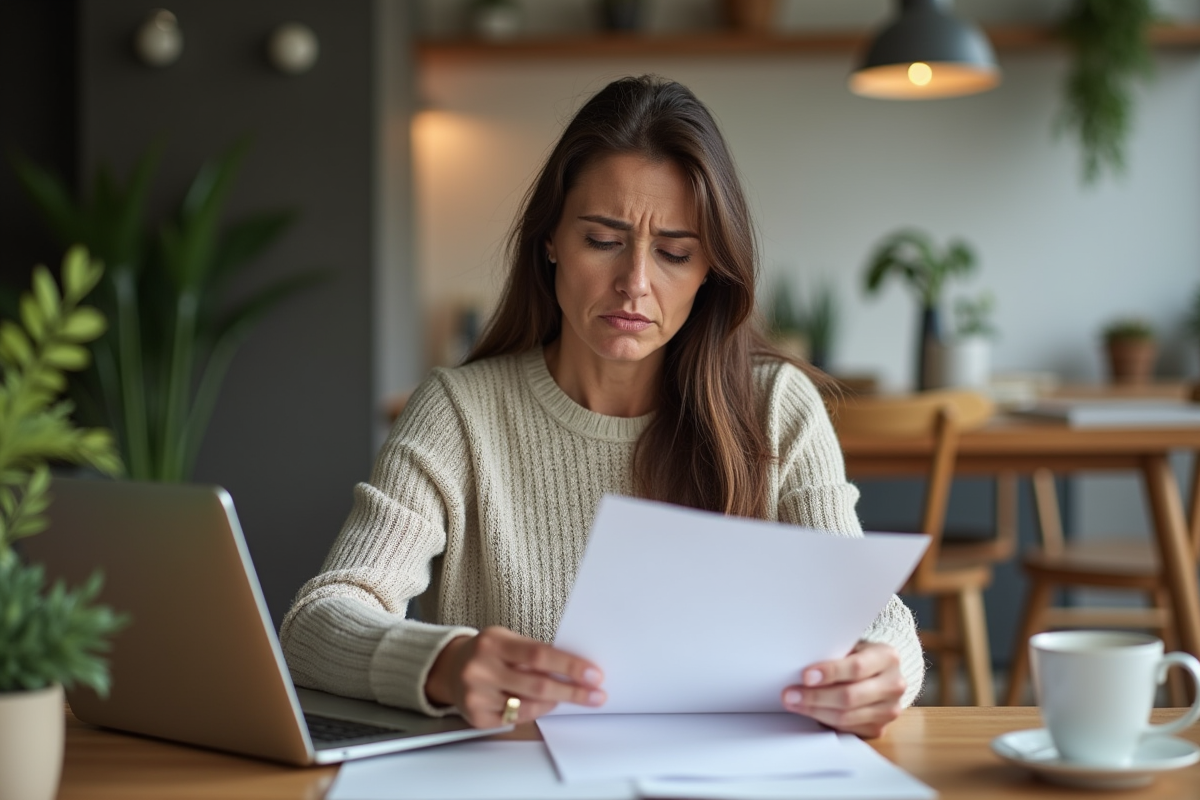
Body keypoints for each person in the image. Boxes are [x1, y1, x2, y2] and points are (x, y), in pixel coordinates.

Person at [281, 75, 924, 739]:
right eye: (602, 241)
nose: (635, 285)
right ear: (551, 239)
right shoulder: (457, 413)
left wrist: (883, 668)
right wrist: (445, 661)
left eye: (674, 253)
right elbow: (319, 620)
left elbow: (873, 616)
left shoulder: (776, 409)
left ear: (710, 273)